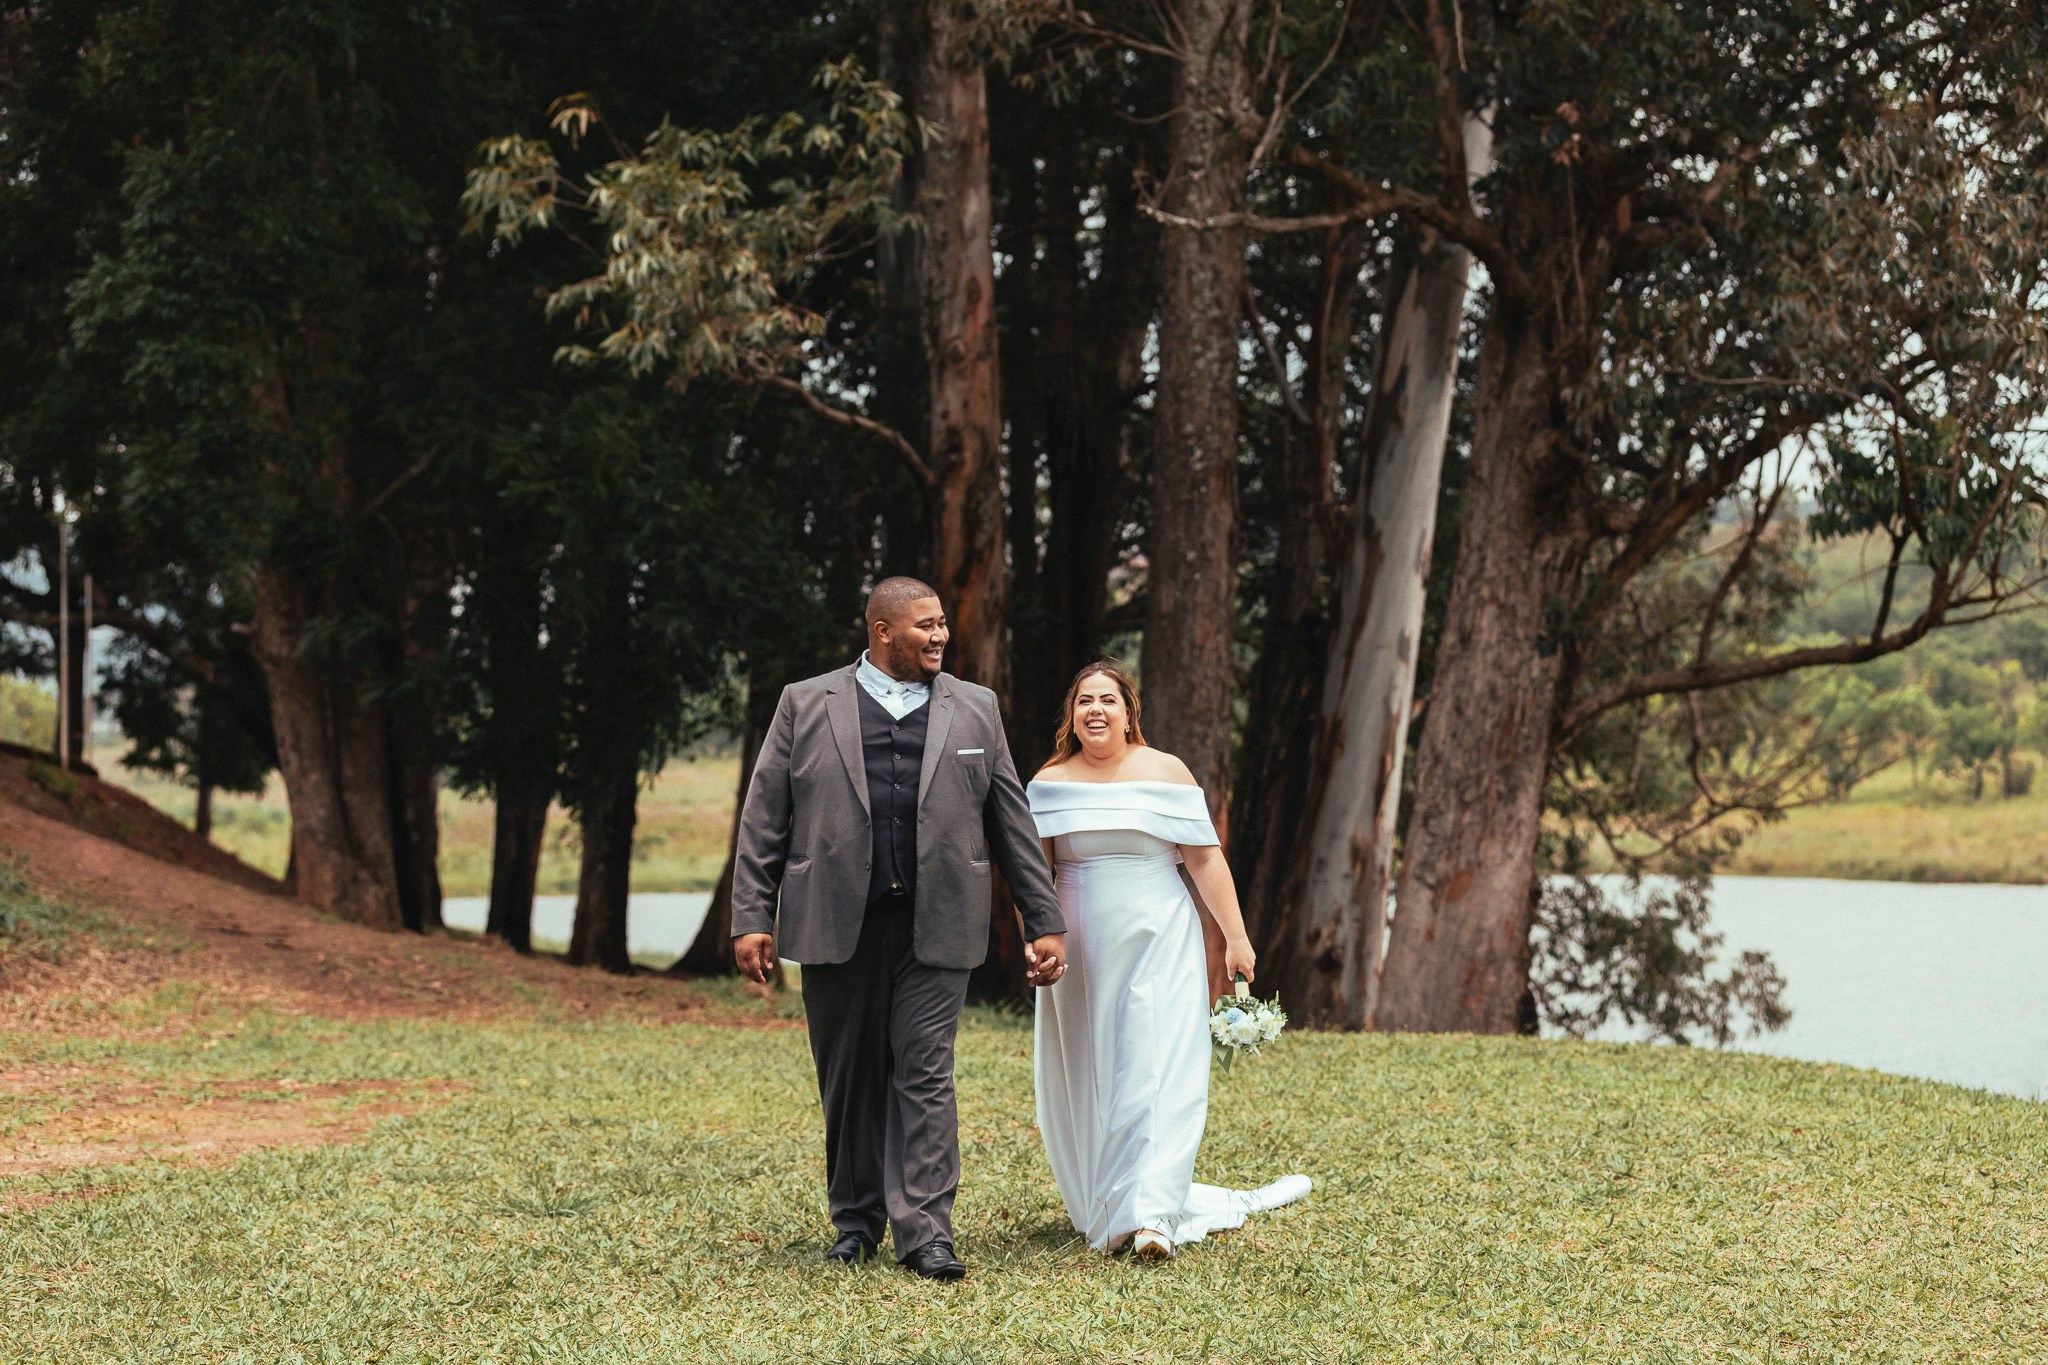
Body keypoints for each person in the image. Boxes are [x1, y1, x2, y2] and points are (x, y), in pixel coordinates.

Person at [729, 577, 1067, 1282]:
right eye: (925, 625)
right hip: (832, 920)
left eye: (943, 623)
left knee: (925, 1070)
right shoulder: (805, 702)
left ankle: (927, 1232)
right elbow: (765, 815)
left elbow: (1011, 821)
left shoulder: (976, 709)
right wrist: (752, 916)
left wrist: (1044, 922)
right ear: (883, 631)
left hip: (939, 920)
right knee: (849, 1077)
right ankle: (855, 1222)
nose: (941, 635)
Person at [1029, 660, 1311, 1259]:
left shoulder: (1165, 772)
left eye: (1108, 699)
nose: (1096, 710)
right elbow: (1038, 873)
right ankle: (1109, 1203)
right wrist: (1039, 940)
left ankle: (1154, 1214)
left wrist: (1236, 938)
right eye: (1084, 702)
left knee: (1154, 1063)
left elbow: (1205, 859)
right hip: (1079, 947)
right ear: (1071, 716)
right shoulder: (1050, 780)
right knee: (1092, 1069)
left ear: (1130, 712)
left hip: (1160, 933)